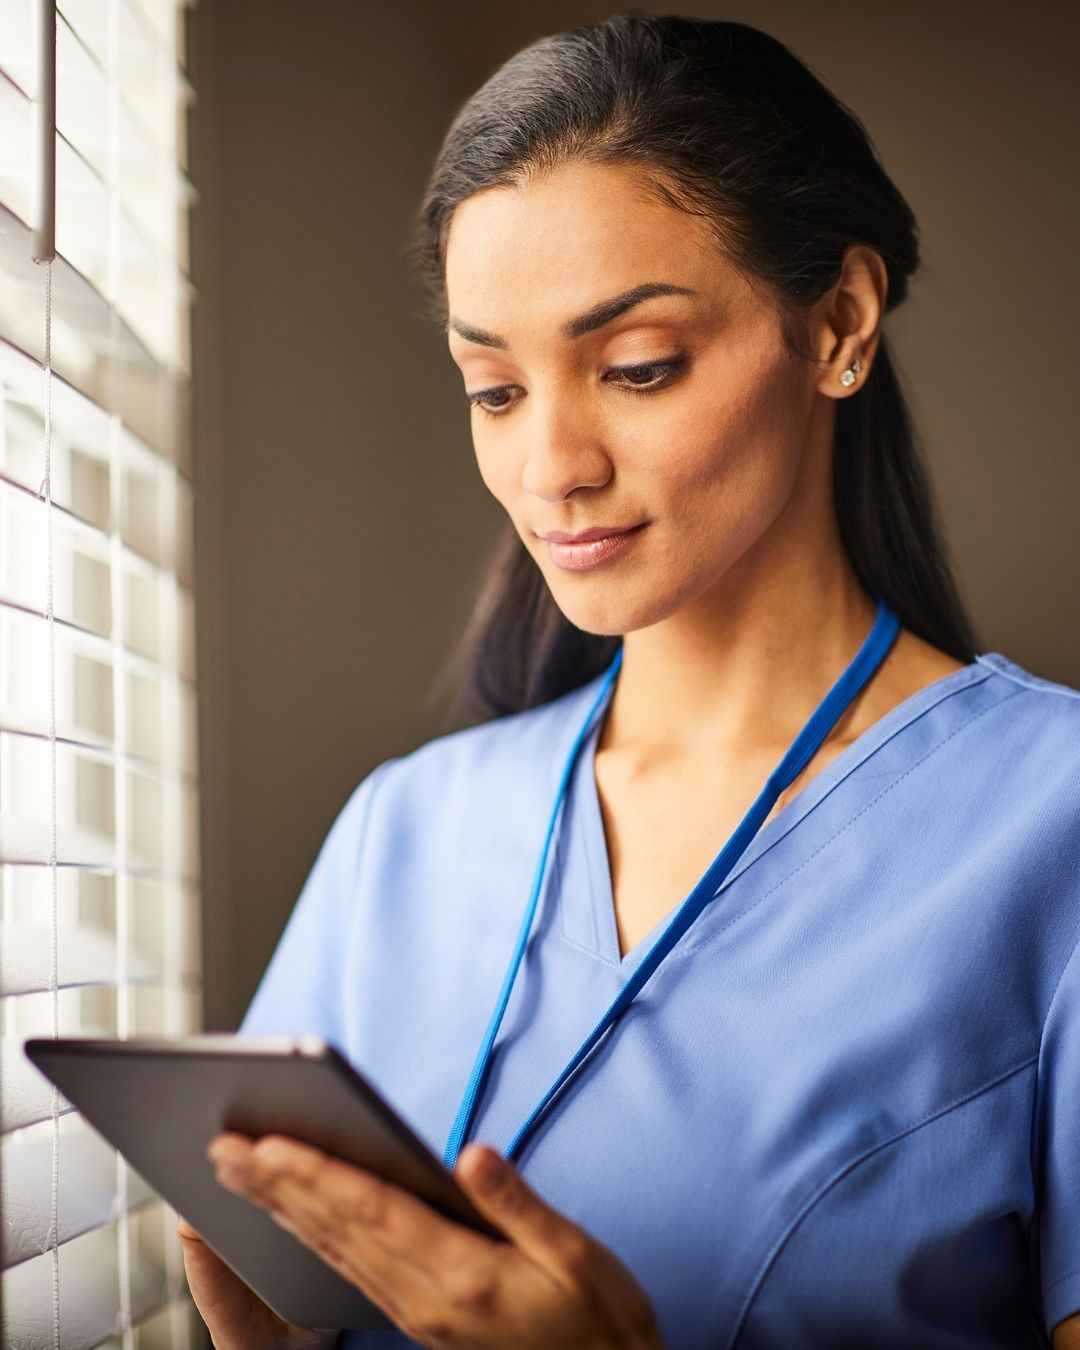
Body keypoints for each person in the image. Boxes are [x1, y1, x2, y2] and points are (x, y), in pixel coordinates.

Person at [178, 14, 1080, 1349]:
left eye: (637, 368)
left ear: (838, 321)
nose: (552, 467)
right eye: (494, 390)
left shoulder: (1052, 817)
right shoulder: (401, 834)